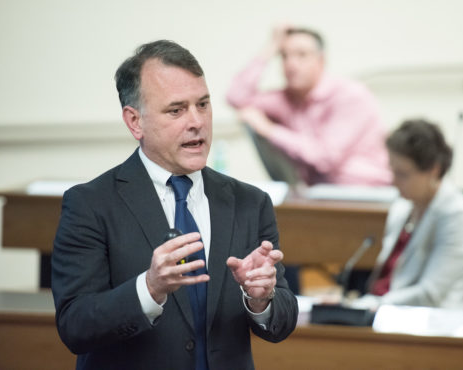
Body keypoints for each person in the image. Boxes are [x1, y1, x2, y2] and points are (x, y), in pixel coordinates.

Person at [51, 40, 298, 370]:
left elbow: (281, 322)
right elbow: (75, 326)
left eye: (203, 104)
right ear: (135, 122)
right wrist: (149, 288)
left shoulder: (250, 203)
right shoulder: (91, 204)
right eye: (176, 110)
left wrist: (261, 298)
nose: (196, 121)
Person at [226, 25, 391, 186]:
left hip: (367, 193)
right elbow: (236, 97)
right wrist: (270, 47)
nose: (291, 63)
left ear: (321, 60)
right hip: (320, 195)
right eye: (284, 56)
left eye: (301, 55)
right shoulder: (286, 98)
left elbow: (325, 158)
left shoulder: (350, 96)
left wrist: (269, 130)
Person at [356, 119, 463, 310]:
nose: (394, 182)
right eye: (393, 171)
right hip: (384, 313)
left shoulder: (457, 216)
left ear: (434, 170)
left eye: (403, 174)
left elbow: (430, 294)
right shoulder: (403, 207)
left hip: (433, 324)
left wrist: (373, 304)